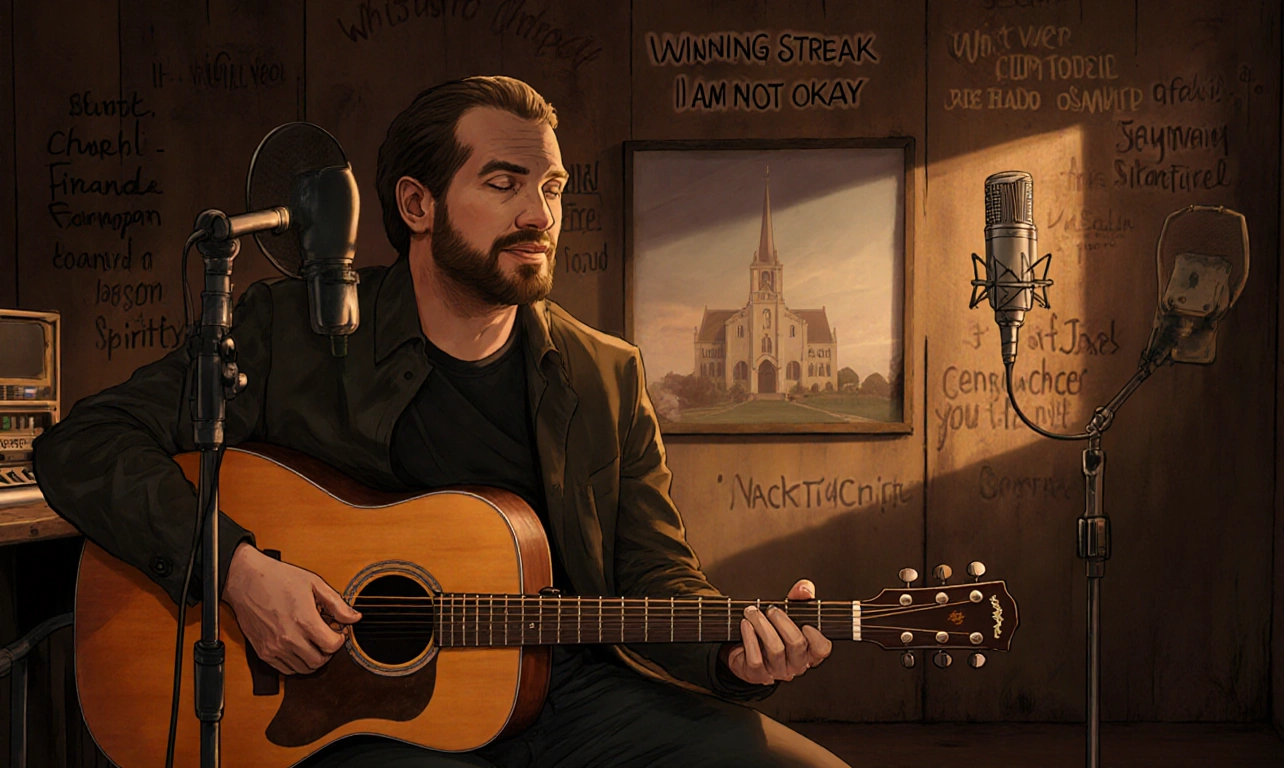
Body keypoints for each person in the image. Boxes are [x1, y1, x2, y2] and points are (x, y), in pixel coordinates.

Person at [34, 76, 849, 767]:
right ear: (418, 204)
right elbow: (82, 447)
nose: (540, 214)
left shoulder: (607, 374)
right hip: (357, 711)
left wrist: (736, 658)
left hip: (566, 694)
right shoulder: (291, 332)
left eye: (553, 187)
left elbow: (655, 579)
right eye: (504, 183)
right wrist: (238, 572)